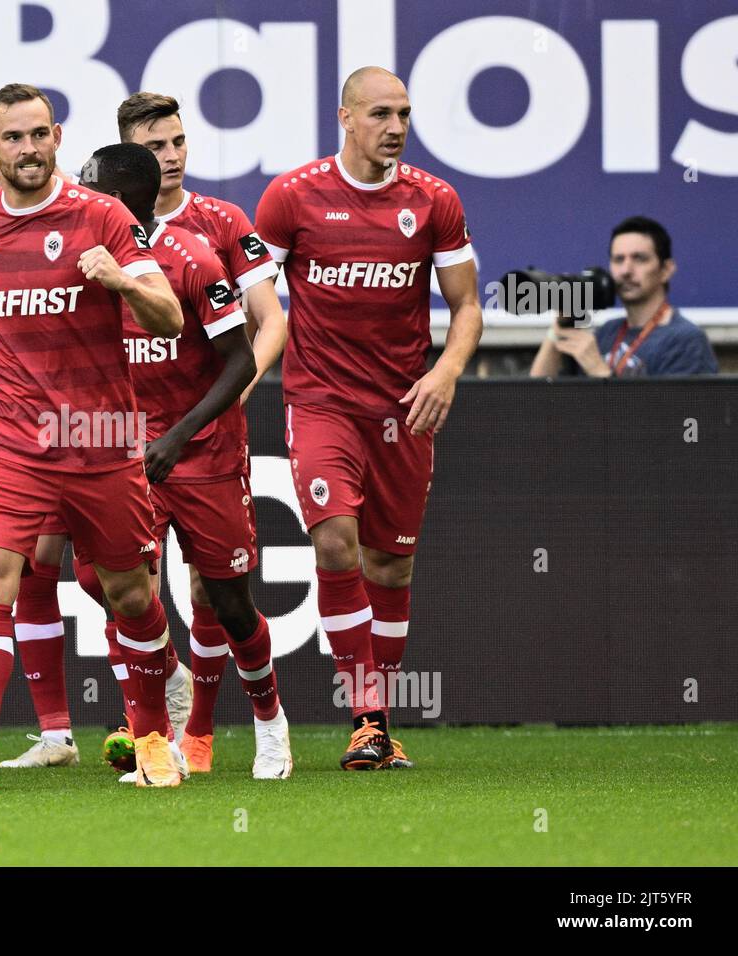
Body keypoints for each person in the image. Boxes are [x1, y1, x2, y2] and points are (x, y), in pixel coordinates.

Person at [0, 82, 186, 790]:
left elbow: (171, 320)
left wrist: (123, 283)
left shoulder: (104, 218)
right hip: (7, 438)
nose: (28, 148)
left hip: (99, 435)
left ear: (57, 138)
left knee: (130, 594)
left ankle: (155, 735)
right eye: (14, 137)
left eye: (39, 134)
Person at [256, 66, 483, 770]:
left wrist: (445, 371)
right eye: (381, 113)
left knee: (391, 563)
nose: (396, 126)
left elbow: (468, 306)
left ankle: (377, 723)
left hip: (403, 410)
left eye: (405, 114)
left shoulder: (435, 201)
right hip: (322, 402)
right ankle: (370, 718)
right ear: (345, 118)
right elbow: (255, 299)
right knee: (335, 545)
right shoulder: (290, 198)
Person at [81, 142, 293, 780]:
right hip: (124, 457)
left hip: (202, 455)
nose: (80, 197)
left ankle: (270, 723)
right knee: (111, 588)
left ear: (124, 199)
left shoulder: (192, 261)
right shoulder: (80, 265)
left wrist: (179, 437)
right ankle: (163, 727)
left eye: (93, 188)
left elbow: (241, 359)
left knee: (230, 604)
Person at [529, 216, 717, 378]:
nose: (626, 271)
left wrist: (599, 371)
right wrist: (561, 322)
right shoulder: (606, 332)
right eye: (619, 260)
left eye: (640, 258)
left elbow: (676, 416)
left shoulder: (685, 339)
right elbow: (538, 393)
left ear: (666, 269)